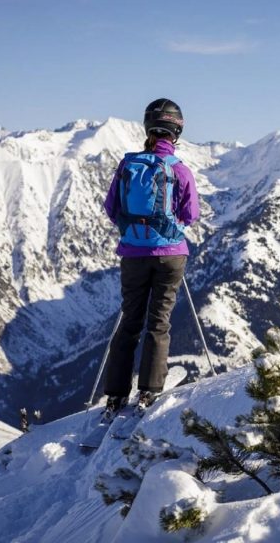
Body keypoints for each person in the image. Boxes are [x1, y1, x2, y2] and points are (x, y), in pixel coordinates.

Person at [101, 98, 200, 418]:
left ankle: (115, 396)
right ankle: (148, 391)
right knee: (159, 322)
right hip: (171, 255)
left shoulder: (128, 165)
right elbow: (191, 214)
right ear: (176, 131)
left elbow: (111, 209)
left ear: (149, 128)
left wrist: (134, 234)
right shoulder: (180, 169)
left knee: (129, 321)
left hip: (133, 254)